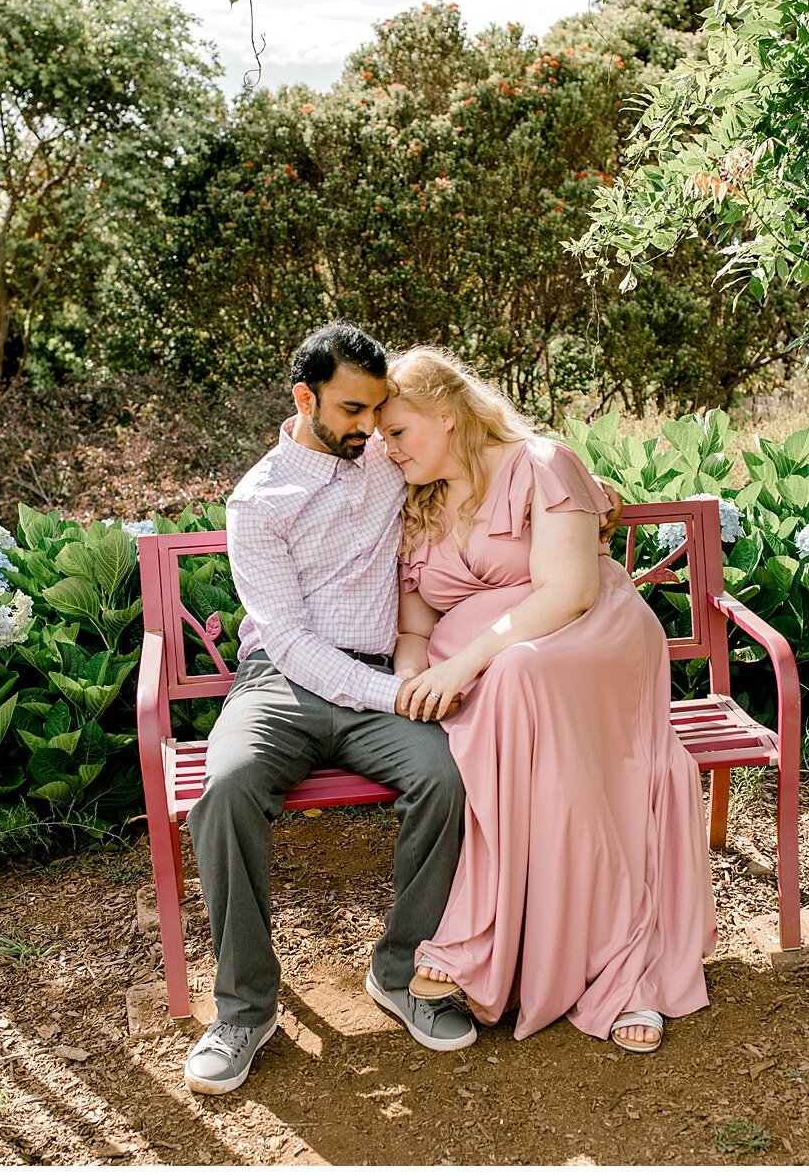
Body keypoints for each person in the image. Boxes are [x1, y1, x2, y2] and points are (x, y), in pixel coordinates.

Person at [377, 346, 717, 1053]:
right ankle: (523, 942)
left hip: (586, 640)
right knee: (512, 687)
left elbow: (570, 591)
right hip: (488, 672)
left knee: (518, 676)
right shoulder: (413, 502)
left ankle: (596, 964)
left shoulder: (540, 463)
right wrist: (411, 677)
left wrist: (461, 666)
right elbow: (415, 626)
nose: (389, 447)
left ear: (446, 414)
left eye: (399, 431)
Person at [183, 323, 477, 1096]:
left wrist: (574, 486)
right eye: (352, 409)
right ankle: (246, 1007)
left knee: (447, 778)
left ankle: (404, 972)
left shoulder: (388, 457)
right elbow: (288, 640)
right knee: (226, 790)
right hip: (282, 684)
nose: (368, 426)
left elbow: (476, 437)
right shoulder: (259, 501)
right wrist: (398, 695)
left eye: (376, 409)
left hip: (381, 677)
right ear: (303, 398)